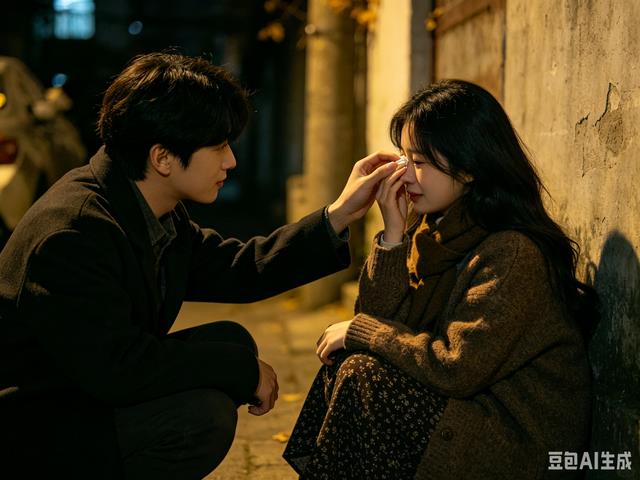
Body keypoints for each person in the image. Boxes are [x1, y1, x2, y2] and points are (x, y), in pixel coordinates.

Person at [0, 52, 400, 479]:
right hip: (33, 431)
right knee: (200, 418)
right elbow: (120, 368)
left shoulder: (143, 205)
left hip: (83, 394)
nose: (230, 161)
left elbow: (239, 267)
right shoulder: (73, 232)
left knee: (231, 339)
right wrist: (241, 371)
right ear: (163, 157)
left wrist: (338, 215)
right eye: (218, 146)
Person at [284, 79, 598, 479]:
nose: (405, 175)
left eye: (420, 161)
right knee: (348, 360)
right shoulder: (434, 231)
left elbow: (456, 368)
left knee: (363, 372)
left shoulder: (512, 252)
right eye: (404, 157)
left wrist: (363, 332)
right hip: (466, 414)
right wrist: (393, 236)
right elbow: (381, 320)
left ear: (468, 166)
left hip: (516, 442)